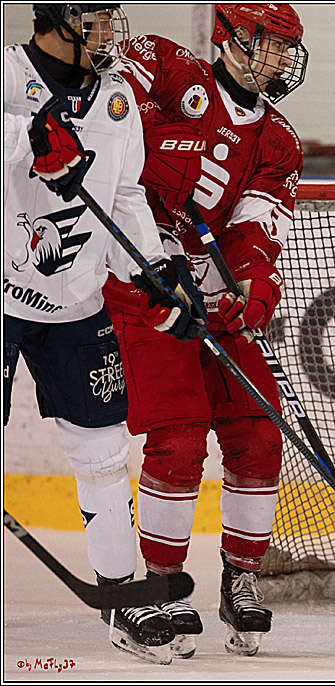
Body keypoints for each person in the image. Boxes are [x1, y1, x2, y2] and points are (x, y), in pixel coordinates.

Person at [102, 3, 307, 658]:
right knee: (181, 439)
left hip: (211, 299)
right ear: (231, 39)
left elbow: (253, 234)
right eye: (271, 45)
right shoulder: (168, 67)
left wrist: (254, 292)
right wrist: (142, 156)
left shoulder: (280, 143)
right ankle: (162, 588)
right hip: (145, 287)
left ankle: (240, 584)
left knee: (256, 428)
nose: (281, 59)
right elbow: (106, 119)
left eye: (288, 48)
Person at [3, 3, 206, 665]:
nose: (108, 33)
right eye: (95, 18)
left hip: (78, 304)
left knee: (101, 452)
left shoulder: (115, 96)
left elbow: (122, 197)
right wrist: (27, 138)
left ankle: (123, 594)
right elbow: (21, 136)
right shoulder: (7, 75)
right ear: (58, 18)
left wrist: (156, 269)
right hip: (3, 299)